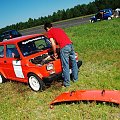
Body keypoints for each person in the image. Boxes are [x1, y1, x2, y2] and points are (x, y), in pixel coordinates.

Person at [44, 22, 78, 87]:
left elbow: (53, 44)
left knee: (65, 66)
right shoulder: (59, 29)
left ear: (47, 28)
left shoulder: (50, 32)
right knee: (74, 62)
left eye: (46, 30)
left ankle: (67, 83)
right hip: (70, 45)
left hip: (64, 47)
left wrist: (55, 53)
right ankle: (75, 79)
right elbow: (69, 39)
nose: (47, 31)